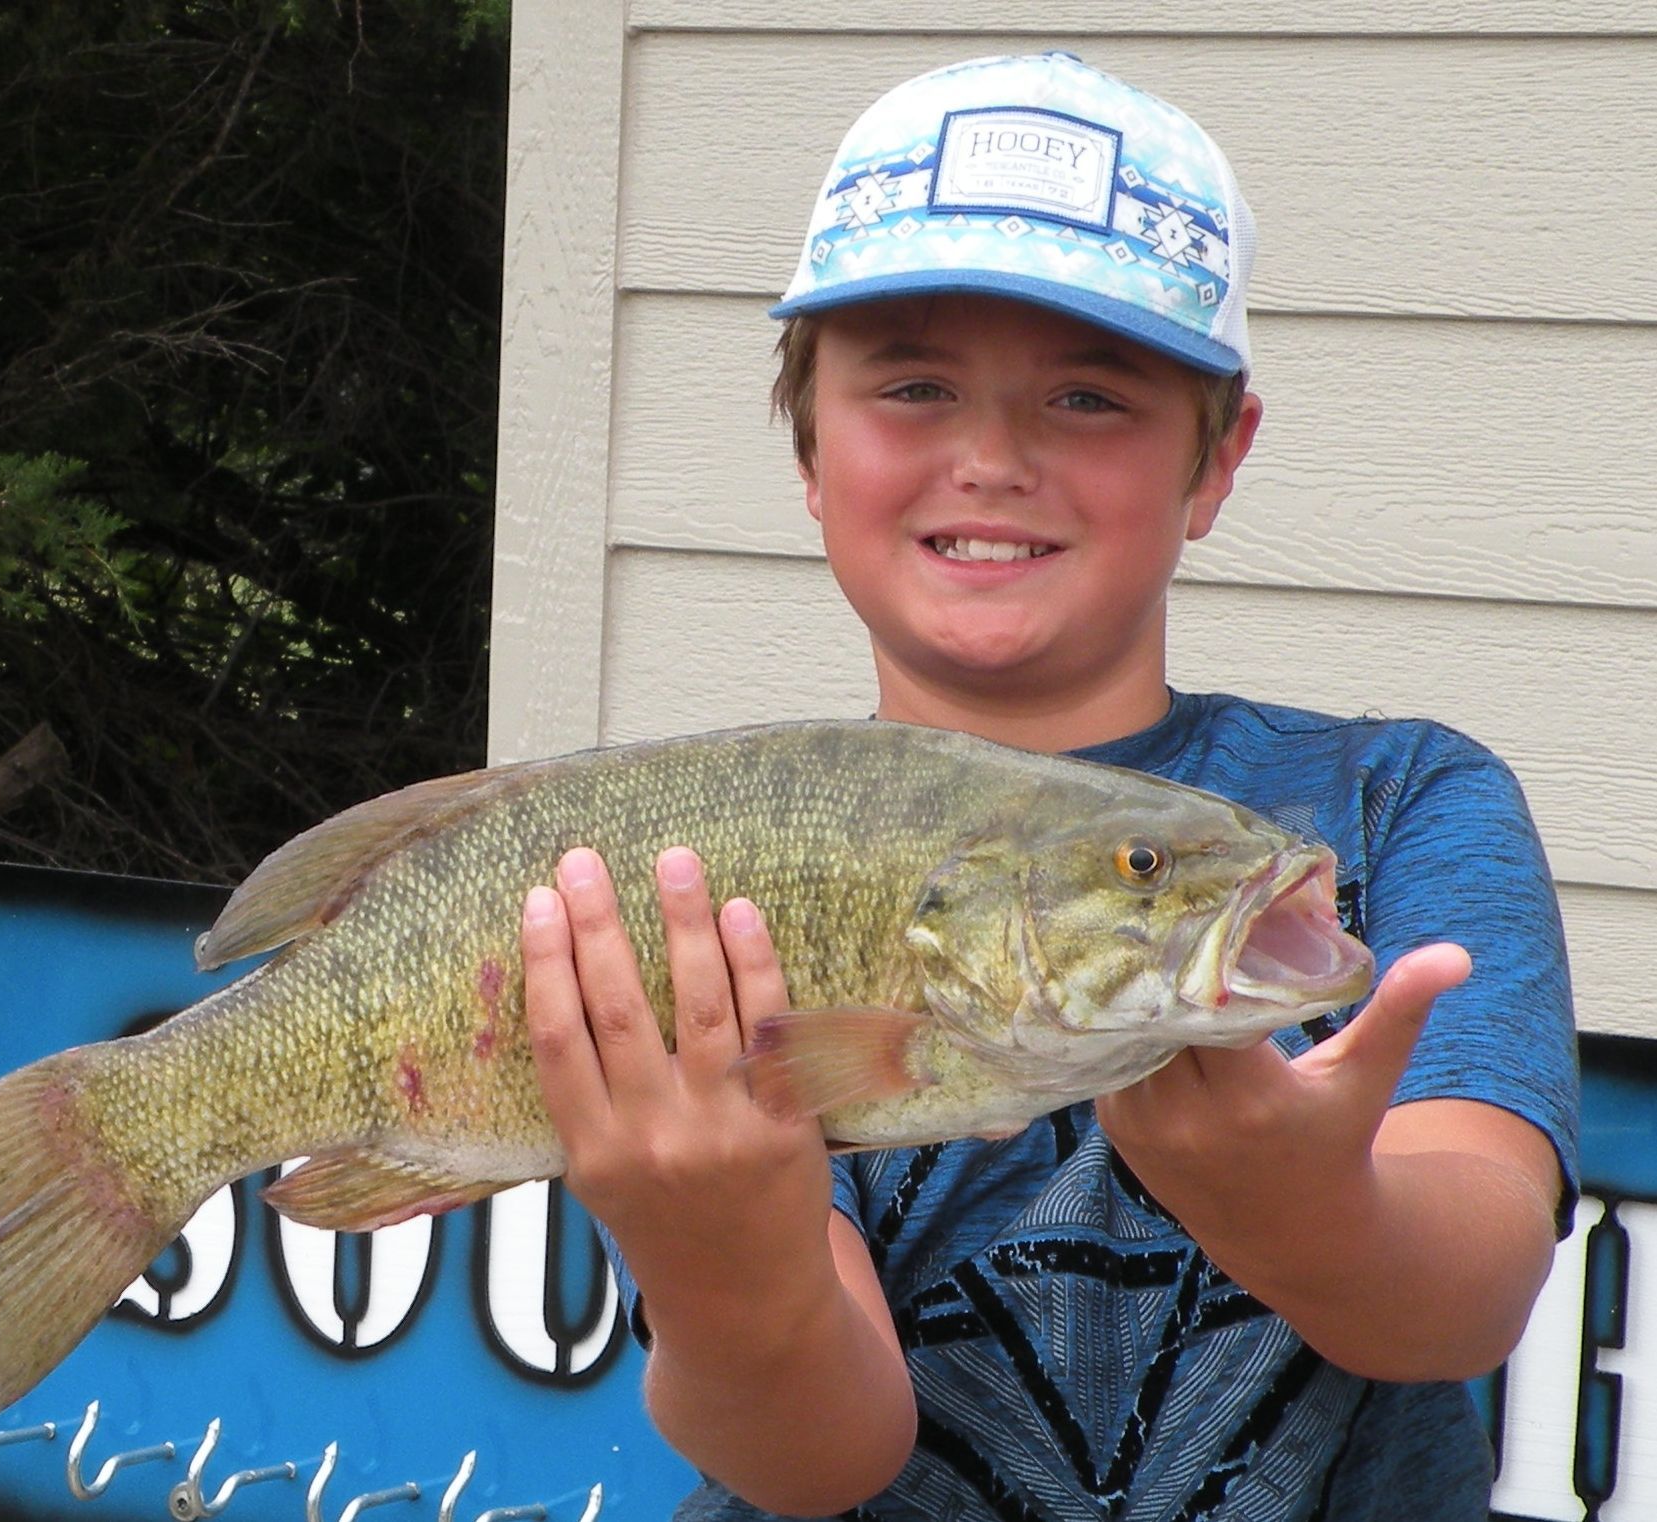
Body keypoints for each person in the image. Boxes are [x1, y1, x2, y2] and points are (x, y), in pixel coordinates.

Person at [516, 52, 1579, 1521]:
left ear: (1216, 460)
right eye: (911, 384)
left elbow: (1464, 1298)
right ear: (808, 446)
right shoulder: (718, 878)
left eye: (1089, 393)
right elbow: (813, 1460)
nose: (993, 455)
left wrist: (1312, 1207)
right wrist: (723, 1266)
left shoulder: (1399, 806)